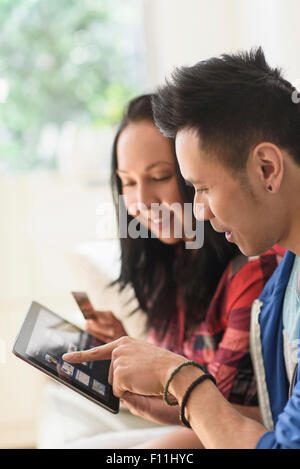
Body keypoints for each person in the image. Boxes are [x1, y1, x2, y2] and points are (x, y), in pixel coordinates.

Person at [63, 57, 300, 449]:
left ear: (266, 167)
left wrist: (183, 380)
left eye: (202, 187)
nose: (199, 210)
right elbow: (276, 423)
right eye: (127, 182)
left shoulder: (259, 281)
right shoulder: (280, 294)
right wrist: (169, 394)